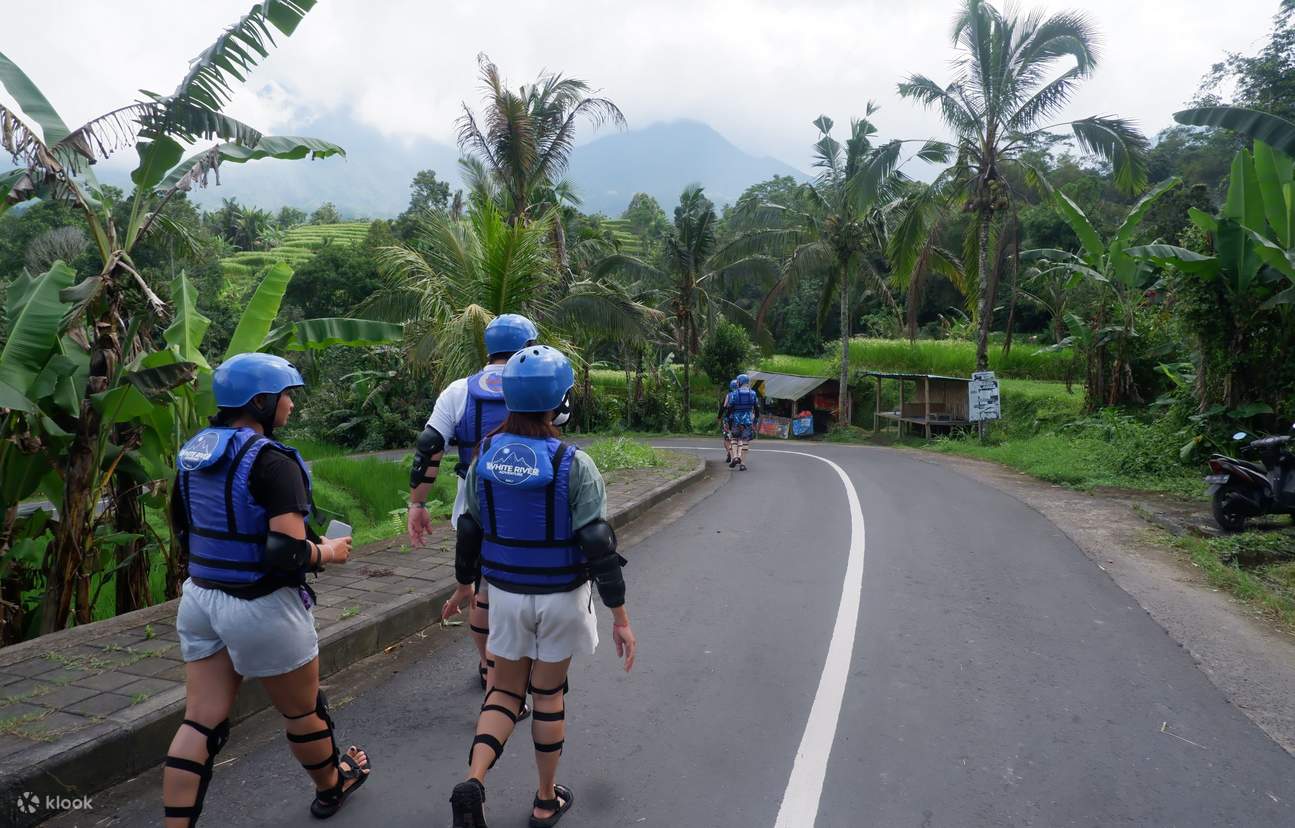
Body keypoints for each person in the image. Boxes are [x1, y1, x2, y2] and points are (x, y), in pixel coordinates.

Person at [164, 353, 370, 826]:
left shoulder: (195, 453)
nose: (291, 405)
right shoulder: (274, 462)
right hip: (260, 606)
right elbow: (286, 552)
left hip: (200, 599)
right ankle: (332, 785)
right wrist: (329, 552)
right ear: (260, 403)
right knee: (303, 712)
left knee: (201, 721)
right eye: (286, 396)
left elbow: (182, 526)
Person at [442, 345, 636, 828]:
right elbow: (598, 543)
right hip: (562, 596)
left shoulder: (485, 456)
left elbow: (470, 529)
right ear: (560, 403)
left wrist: (465, 585)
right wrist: (620, 618)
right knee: (548, 695)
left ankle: (474, 782)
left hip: (506, 595)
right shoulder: (575, 463)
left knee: (504, 692)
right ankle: (546, 800)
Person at [408, 313, 539, 697]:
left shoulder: (458, 390)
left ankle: (487, 665)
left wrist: (417, 504)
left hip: (474, 502)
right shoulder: (538, 383)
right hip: (530, 504)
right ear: (528, 348)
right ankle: (520, 669)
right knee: (522, 587)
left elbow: (430, 446)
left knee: (483, 587)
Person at [727, 373, 761, 471]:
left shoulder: (734, 393)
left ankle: (735, 457)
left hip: (736, 420)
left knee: (734, 438)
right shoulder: (753, 393)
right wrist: (755, 420)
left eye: (738, 381)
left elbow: (730, 407)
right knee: (745, 441)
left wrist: (728, 418)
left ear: (740, 382)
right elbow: (756, 408)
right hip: (748, 420)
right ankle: (742, 464)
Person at [718, 379, 738, 463]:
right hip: (739, 420)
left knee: (727, 438)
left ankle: (729, 452)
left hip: (728, 419)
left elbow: (723, 407)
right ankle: (736, 454)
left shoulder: (729, 395)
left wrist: (719, 417)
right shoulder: (742, 395)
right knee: (737, 438)